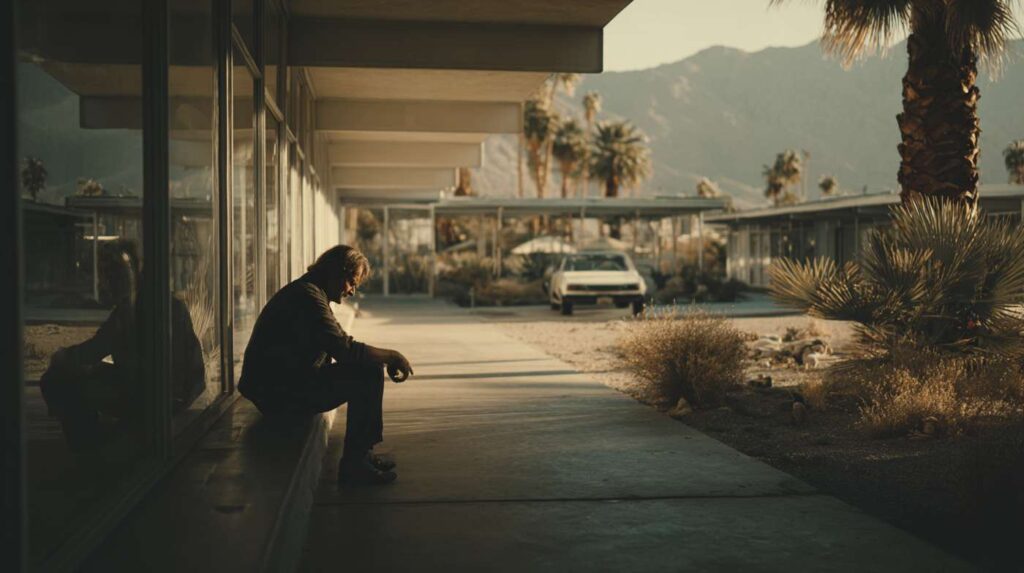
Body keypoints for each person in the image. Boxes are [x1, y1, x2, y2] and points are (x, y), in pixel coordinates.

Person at [238, 245, 413, 486]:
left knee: (368, 367)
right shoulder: (307, 298)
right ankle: (355, 465)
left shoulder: (310, 292)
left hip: (280, 387)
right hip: (277, 396)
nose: (352, 291)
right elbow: (345, 350)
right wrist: (391, 356)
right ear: (336, 272)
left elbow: (340, 343)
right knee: (368, 373)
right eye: (352, 282)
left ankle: (362, 454)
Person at [40, 239, 206, 451]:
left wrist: (62, 358)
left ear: (133, 272)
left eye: (114, 272)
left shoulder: (134, 308)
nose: (107, 280)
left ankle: (90, 447)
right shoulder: (158, 301)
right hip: (173, 389)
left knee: (59, 381)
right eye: (106, 272)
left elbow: (94, 350)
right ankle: (104, 438)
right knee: (78, 376)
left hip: (158, 393)